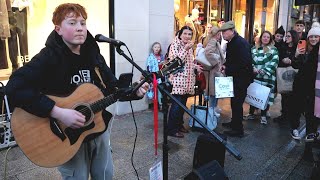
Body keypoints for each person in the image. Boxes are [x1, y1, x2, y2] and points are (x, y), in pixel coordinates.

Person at [5, 3, 149, 179]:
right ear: (58, 29)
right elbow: (14, 87)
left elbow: (114, 89)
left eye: (82, 23)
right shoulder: (49, 57)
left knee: (105, 175)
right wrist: (58, 112)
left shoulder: (94, 55)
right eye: (72, 23)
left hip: (97, 129)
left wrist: (135, 92)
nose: (80, 28)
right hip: (64, 137)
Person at [220, 21, 253, 137]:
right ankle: (234, 123)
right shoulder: (233, 42)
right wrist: (225, 66)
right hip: (236, 77)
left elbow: (243, 62)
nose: (223, 34)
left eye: (224, 32)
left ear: (232, 31)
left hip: (241, 79)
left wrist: (228, 69)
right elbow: (233, 59)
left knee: (237, 103)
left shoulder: (240, 43)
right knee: (234, 102)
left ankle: (238, 129)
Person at [167, 25, 201, 138]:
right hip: (178, 80)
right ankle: (172, 129)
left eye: (190, 34)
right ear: (180, 34)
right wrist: (185, 49)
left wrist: (196, 67)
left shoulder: (190, 46)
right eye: (185, 33)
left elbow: (188, 62)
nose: (187, 36)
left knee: (182, 106)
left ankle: (179, 125)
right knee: (176, 106)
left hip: (188, 81)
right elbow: (175, 62)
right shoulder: (174, 45)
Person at [289, 26, 319, 152]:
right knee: (302, 115)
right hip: (301, 89)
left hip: (314, 91)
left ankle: (309, 147)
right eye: (311, 36)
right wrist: (296, 55)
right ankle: (307, 146)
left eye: (316, 36)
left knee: (312, 120)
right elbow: (296, 65)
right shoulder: (303, 49)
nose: (313, 39)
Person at [246, 31, 279, 124]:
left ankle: (263, 115)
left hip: (267, 77)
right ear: (261, 38)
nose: (265, 38)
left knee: (265, 96)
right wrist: (253, 68)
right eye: (264, 37)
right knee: (254, 94)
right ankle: (251, 113)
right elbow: (249, 60)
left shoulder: (274, 50)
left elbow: (275, 62)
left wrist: (265, 70)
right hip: (255, 75)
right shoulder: (254, 49)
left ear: (270, 39)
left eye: (267, 37)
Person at [273, 30, 299, 124]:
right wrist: (283, 60)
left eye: (288, 36)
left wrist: (292, 60)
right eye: (286, 36)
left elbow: (300, 61)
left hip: (294, 75)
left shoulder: (297, 48)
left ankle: (290, 116)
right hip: (283, 74)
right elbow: (277, 59)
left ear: (293, 37)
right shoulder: (282, 47)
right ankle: (284, 115)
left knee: (292, 96)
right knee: (284, 95)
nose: (286, 38)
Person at [203, 26, 225, 118]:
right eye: (219, 34)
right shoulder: (213, 41)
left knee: (215, 91)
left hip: (214, 70)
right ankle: (212, 109)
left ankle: (213, 107)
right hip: (213, 70)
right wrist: (217, 61)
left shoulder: (213, 40)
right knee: (213, 91)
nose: (220, 36)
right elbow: (208, 53)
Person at [146, 42, 165, 110]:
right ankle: (155, 105)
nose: (157, 49)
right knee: (153, 90)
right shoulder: (150, 57)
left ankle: (161, 105)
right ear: (153, 48)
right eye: (155, 47)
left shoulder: (162, 57)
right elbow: (148, 67)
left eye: (158, 47)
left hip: (161, 76)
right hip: (153, 76)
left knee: (160, 91)